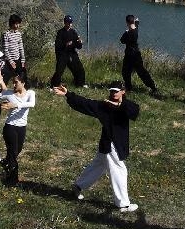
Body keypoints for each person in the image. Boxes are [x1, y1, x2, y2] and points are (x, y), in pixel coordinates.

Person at [53, 81, 140, 212]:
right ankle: (123, 204)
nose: (113, 93)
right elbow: (85, 103)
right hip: (110, 144)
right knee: (119, 170)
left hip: (111, 144)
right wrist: (68, 94)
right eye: (112, 91)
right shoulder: (104, 106)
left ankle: (78, 186)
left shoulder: (126, 106)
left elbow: (134, 111)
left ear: (123, 91)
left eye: (116, 91)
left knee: (98, 166)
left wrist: (118, 105)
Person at [0, 74, 35, 186]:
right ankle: (12, 180)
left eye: (16, 82)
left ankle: (5, 162)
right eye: (13, 82)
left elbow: (32, 104)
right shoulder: (9, 93)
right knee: (13, 153)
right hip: (10, 127)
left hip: (22, 128)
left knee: (16, 151)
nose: (14, 84)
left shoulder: (30, 93)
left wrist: (15, 105)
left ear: (23, 83)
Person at [120, 15, 160, 97]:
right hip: (136, 55)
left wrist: (126, 31)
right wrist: (136, 21)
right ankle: (152, 87)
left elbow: (122, 40)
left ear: (127, 23)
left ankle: (130, 87)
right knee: (140, 72)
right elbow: (136, 24)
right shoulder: (135, 29)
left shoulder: (130, 33)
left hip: (131, 55)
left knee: (127, 72)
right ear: (133, 22)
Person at [50, 15, 86, 89]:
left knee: (79, 69)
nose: (69, 24)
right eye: (67, 22)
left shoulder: (73, 32)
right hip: (62, 54)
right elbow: (58, 45)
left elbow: (78, 47)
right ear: (64, 23)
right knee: (59, 71)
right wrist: (66, 44)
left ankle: (80, 84)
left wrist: (80, 43)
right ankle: (54, 86)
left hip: (72, 53)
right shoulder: (60, 32)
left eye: (70, 22)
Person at [2, 13, 26, 84]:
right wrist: (11, 61)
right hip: (9, 60)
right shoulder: (6, 34)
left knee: (22, 75)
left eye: (18, 24)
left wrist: (23, 60)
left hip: (18, 59)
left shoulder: (18, 34)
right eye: (16, 24)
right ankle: (2, 92)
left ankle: (23, 90)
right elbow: (5, 49)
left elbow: (21, 48)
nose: (17, 26)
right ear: (11, 24)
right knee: (6, 76)